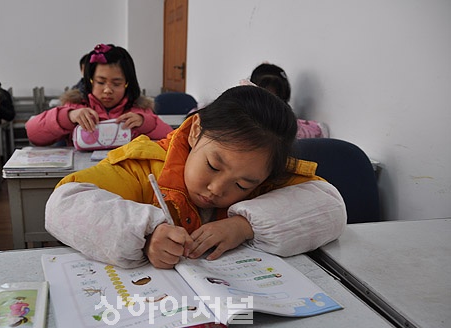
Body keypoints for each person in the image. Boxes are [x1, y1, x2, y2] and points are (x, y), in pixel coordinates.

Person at [45, 85, 346, 269]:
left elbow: (329, 204)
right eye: (213, 166)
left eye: (243, 185)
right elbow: (63, 204)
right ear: (196, 131)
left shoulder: (266, 172)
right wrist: (145, 234)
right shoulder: (146, 165)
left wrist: (244, 225)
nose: (216, 189)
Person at [26, 44, 173, 146]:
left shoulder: (138, 110)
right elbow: (33, 133)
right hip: (82, 179)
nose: (108, 90)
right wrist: (68, 117)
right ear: (90, 81)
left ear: (128, 83)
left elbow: (170, 137)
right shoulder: (76, 106)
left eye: (116, 83)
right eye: (101, 82)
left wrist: (144, 122)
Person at [246, 62, 328, 139]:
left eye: (274, 98)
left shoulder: (287, 123)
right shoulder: (245, 115)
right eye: (263, 97)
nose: (268, 104)